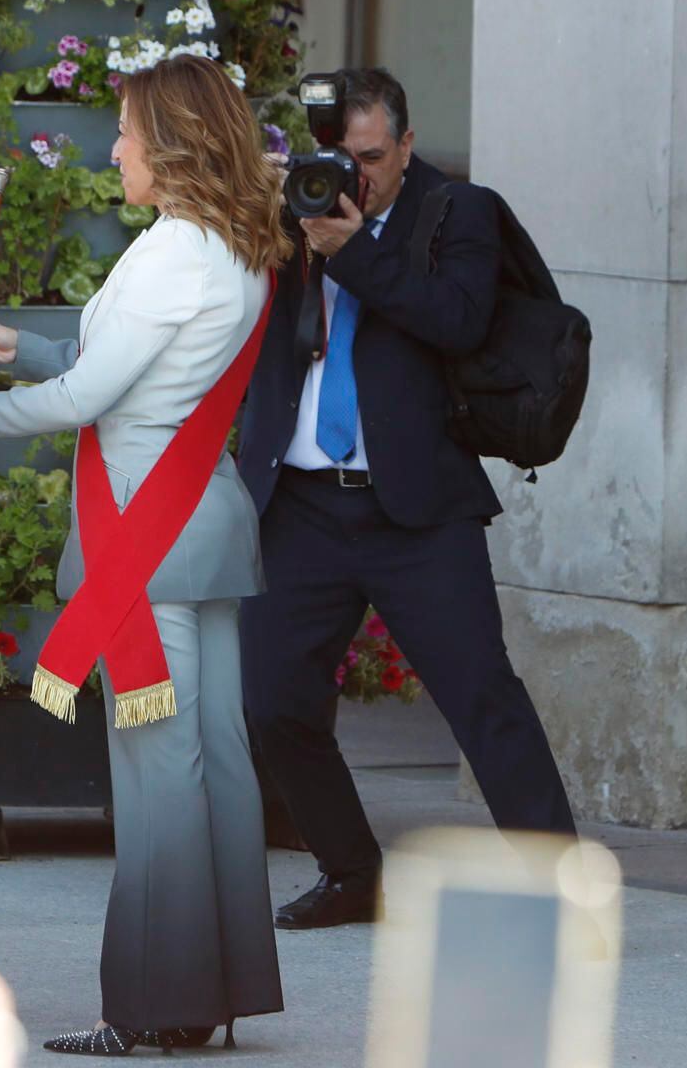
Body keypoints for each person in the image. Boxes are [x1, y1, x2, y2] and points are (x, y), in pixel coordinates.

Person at [0, 54, 286, 1054]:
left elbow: (91, 400)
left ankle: (150, 1006)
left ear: (170, 144)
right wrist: (18, 348)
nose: (114, 146)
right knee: (216, 763)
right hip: (197, 524)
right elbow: (118, 368)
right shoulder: (233, 245)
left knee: (159, 772)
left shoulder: (172, 252)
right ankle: (209, 990)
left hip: (144, 538)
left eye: (127, 130)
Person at [234, 68, 576, 931]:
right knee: (273, 701)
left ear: (407, 145)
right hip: (303, 502)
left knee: (481, 698)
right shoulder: (291, 212)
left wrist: (356, 249)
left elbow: (458, 319)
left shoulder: (458, 213)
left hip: (417, 507)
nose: (354, 177)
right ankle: (352, 872)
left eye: (372, 158)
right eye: (336, 158)